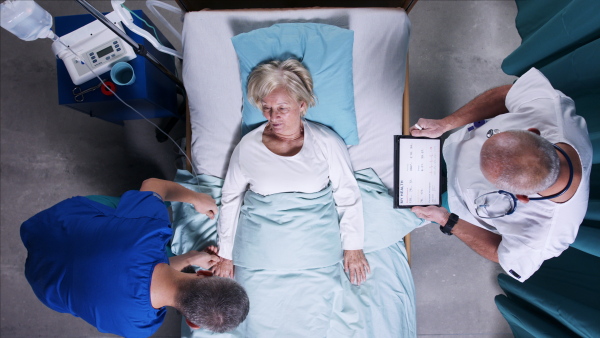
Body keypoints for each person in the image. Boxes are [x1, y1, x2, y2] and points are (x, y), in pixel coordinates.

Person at [409, 68, 592, 282]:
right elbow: (507, 95)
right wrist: (446, 124)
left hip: (458, 205)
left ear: (522, 197)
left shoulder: (543, 237)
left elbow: (500, 253)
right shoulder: (549, 108)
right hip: (453, 146)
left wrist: (446, 220)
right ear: (532, 132)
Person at [21, 178, 250, 337]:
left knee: (137, 217)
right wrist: (188, 258)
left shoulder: (149, 231)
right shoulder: (141, 328)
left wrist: (195, 198)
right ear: (192, 322)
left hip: (47, 227)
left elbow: (153, 185)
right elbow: (138, 282)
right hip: (43, 284)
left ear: (204, 274)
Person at [212, 59, 370, 285]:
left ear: (302, 105)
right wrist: (226, 254)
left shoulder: (326, 142)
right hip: (262, 249)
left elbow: (347, 193)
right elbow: (231, 197)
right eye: (266, 107)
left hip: (313, 248)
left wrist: (353, 247)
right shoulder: (248, 147)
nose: (273, 116)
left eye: (282, 108)